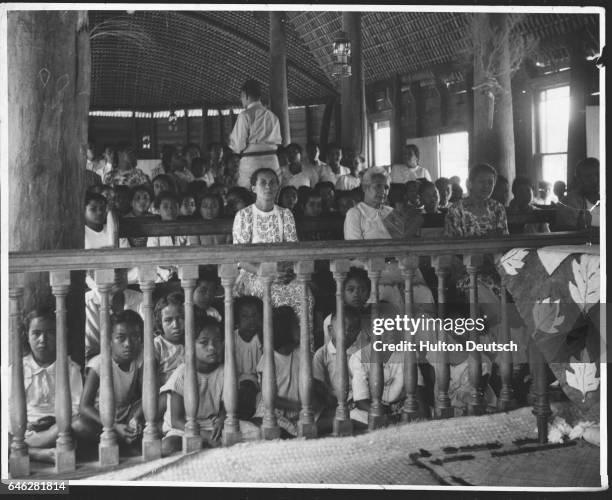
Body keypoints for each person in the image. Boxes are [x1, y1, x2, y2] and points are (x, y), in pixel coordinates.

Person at [232, 168, 314, 350]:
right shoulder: (244, 215)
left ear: (278, 186)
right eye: (263, 182)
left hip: (283, 273)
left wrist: (286, 271)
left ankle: (302, 356)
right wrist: (265, 272)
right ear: (253, 187)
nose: (268, 186)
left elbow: (293, 250)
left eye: (273, 182)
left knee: (304, 295)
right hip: (254, 274)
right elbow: (240, 258)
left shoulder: (286, 215)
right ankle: (272, 354)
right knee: (272, 294)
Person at [160, 316, 261, 454]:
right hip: (184, 427)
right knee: (168, 446)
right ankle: (207, 445)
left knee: (255, 432)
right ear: (191, 345)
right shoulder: (182, 374)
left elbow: (226, 404)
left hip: (211, 424)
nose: (212, 347)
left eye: (217, 341)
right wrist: (204, 435)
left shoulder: (225, 371)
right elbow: (176, 420)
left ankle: (208, 446)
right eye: (204, 342)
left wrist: (221, 418)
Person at [9, 308, 83, 463]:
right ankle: (37, 453)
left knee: (76, 426)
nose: (43, 339)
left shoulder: (70, 369)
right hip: (24, 430)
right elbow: (8, 406)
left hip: (56, 429)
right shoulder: (17, 370)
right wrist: (23, 424)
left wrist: (55, 423)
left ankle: (27, 451)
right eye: (36, 333)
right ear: (27, 337)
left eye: (50, 332)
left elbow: (76, 406)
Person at [73, 310, 144, 450]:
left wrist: (135, 420)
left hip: (127, 417)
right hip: (101, 421)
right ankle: (121, 438)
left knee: (152, 403)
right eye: (121, 338)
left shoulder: (140, 357)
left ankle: (127, 435)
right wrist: (113, 426)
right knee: (78, 425)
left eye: (135, 336)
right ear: (109, 340)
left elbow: (144, 397)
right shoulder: (99, 364)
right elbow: (85, 407)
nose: (128, 343)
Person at [229, 79, 282, 188]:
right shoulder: (273, 116)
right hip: (272, 162)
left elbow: (239, 146)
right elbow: (278, 142)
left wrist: (230, 142)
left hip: (252, 164)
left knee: (248, 195)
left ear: (245, 95)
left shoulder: (245, 115)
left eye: (241, 97)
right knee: (271, 192)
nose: (241, 100)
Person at [85, 269, 143, 360]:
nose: (117, 275)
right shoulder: (87, 303)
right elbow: (91, 350)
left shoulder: (140, 298)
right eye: (110, 269)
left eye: (121, 269)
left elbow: (147, 340)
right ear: (93, 275)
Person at [233, 296, 264, 419]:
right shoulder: (232, 339)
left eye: (254, 315)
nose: (251, 320)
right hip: (237, 383)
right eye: (245, 316)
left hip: (259, 383)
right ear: (237, 319)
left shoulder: (261, 337)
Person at [556, 157, 600, 229]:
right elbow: (569, 235)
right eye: (588, 176)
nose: (595, 180)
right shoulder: (568, 202)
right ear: (578, 179)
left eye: (598, 175)